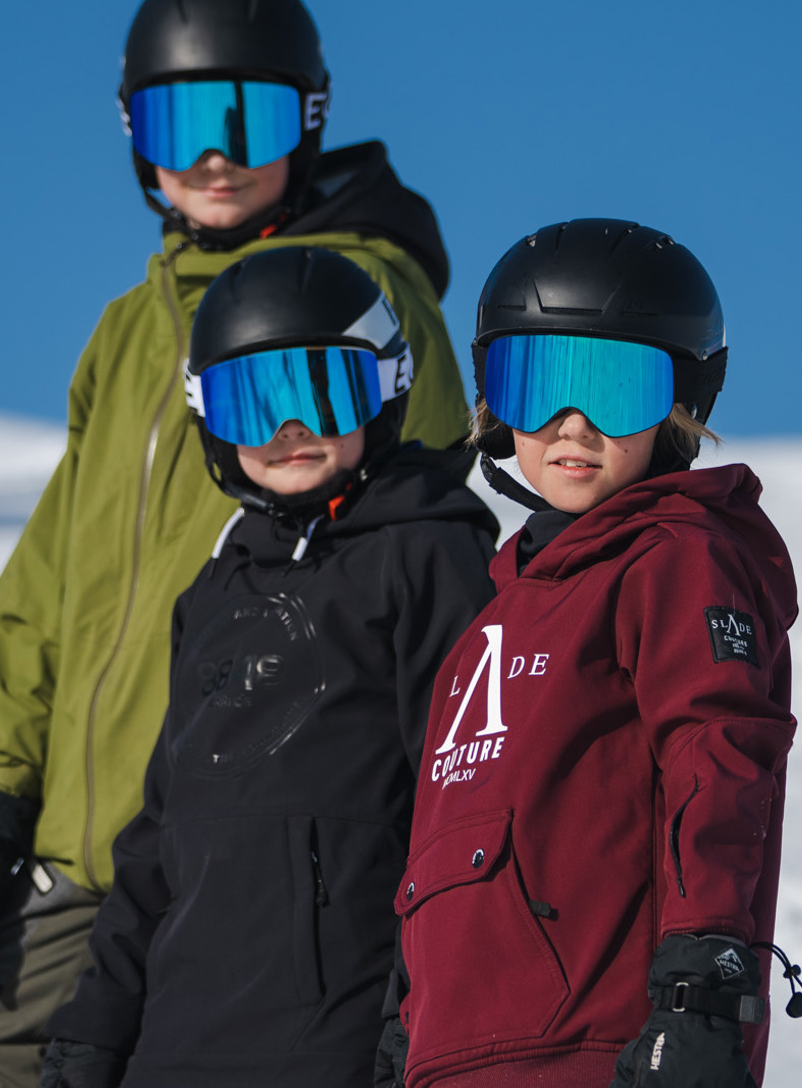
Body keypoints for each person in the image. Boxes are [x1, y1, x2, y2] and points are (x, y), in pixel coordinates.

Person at [0, 0, 468, 1088]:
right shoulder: (128, 329)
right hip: (91, 846)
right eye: (178, 120)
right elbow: (48, 587)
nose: (212, 154)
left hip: (256, 845)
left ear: (310, 118)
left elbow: (418, 555)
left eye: (247, 117)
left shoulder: (356, 304)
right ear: (132, 134)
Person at [34, 246, 498, 1088]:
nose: (289, 428)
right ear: (209, 419)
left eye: (321, 390)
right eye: (253, 400)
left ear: (385, 387)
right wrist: (95, 1027)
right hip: (174, 1044)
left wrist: (418, 1019)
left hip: (336, 1036)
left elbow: (465, 810)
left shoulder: (425, 555)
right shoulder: (214, 593)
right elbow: (156, 839)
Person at [379, 220, 802, 1088]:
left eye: (614, 386)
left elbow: (717, 755)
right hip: (455, 1059)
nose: (572, 422)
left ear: (680, 404)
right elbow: (441, 845)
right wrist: (402, 1028)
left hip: (592, 1051)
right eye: (538, 382)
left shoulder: (675, 558)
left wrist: (700, 984)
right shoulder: (491, 620)